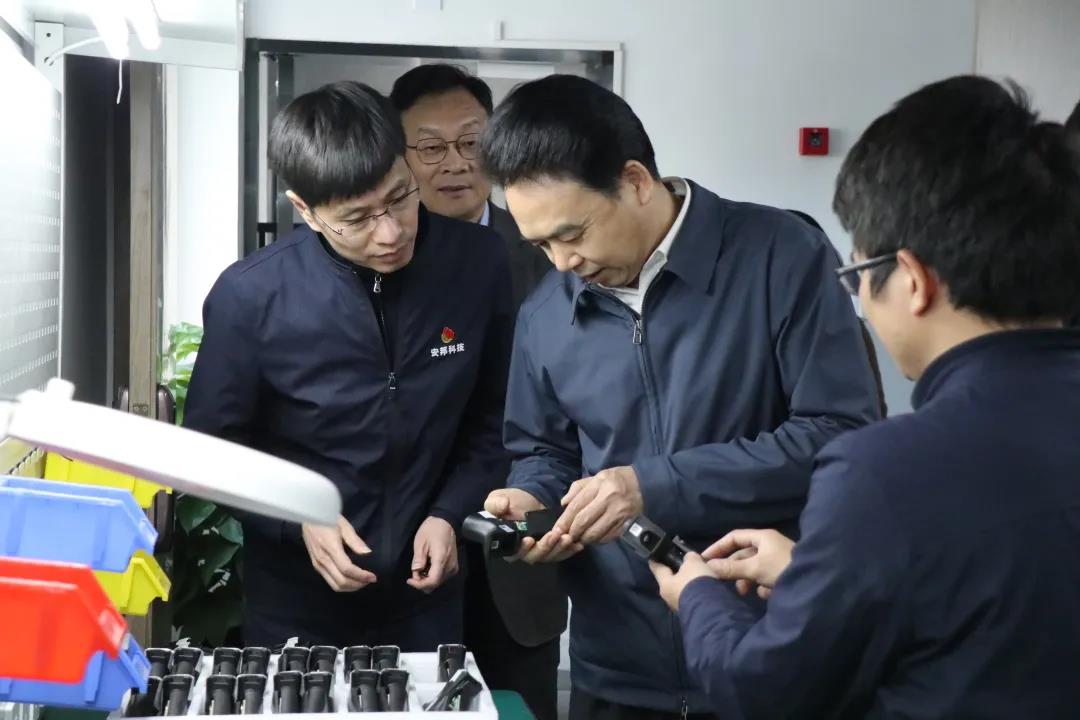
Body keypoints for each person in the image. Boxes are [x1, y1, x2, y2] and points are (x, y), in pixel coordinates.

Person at [651, 75, 1080, 718]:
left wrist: (699, 596)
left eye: (856, 276)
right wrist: (821, 573)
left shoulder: (885, 470)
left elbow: (762, 691)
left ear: (911, 280)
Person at [478, 74, 881, 719]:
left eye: (572, 234)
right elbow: (546, 451)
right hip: (616, 670)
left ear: (636, 181)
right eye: (541, 244)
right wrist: (532, 497)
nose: (560, 262)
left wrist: (652, 486)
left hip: (768, 650)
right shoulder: (546, 313)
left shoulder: (781, 256)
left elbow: (839, 434)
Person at [184, 81, 514, 650]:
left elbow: (495, 416)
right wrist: (296, 518)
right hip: (296, 599)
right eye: (357, 219)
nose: (391, 232)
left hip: (428, 593)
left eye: (400, 197)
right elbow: (213, 450)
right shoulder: (251, 295)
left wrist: (449, 513)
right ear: (305, 211)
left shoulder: (478, 263)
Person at [390, 64, 564, 720]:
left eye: (471, 142)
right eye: (431, 146)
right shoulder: (381, 255)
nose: (456, 163)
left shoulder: (552, 254)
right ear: (401, 155)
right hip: (405, 550)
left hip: (518, 547)